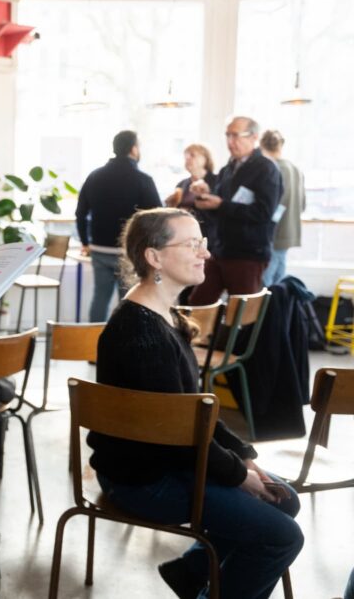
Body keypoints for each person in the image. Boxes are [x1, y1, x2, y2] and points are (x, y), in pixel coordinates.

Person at [89, 207, 303, 599]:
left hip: (170, 461)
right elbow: (182, 439)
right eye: (192, 244)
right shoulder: (140, 334)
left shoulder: (163, 316)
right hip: (142, 480)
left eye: (203, 243)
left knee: (284, 501)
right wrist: (240, 476)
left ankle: (191, 571)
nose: (205, 253)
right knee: (282, 536)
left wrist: (244, 456)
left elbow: (195, 411)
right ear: (154, 257)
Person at [189, 116, 282, 304]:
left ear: (254, 137)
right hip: (220, 250)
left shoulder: (266, 168)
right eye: (227, 135)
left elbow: (263, 213)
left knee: (240, 317)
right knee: (197, 306)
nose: (230, 142)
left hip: (248, 254)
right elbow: (220, 209)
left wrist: (221, 204)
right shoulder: (228, 169)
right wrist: (206, 198)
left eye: (236, 136)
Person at [75, 129, 161, 322]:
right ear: (133, 149)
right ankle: (124, 345)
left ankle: (92, 342)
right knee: (128, 301)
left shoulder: (94, 176)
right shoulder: (143, 180)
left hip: (98, 248)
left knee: (100, 297)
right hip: (128, 252)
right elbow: (157, 216)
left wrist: (85, 242)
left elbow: (80, 213)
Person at [259, 130, 306, 286]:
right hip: (289, 232)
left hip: (273, 233)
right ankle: (276, 311)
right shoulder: (296, 169)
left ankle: (266, 311)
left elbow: (273, 204)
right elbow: (303, 204)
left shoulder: (272, 169)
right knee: (278, 281)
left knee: (265, 283)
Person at [166, 143, 219, 245]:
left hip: (209, 237)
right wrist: (171, 205)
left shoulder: (217, 181)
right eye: (186, 156)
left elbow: (219, 211)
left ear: (205, 159)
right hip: (184, 236)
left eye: (192, 155)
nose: (187, 158)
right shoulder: (181, 184)